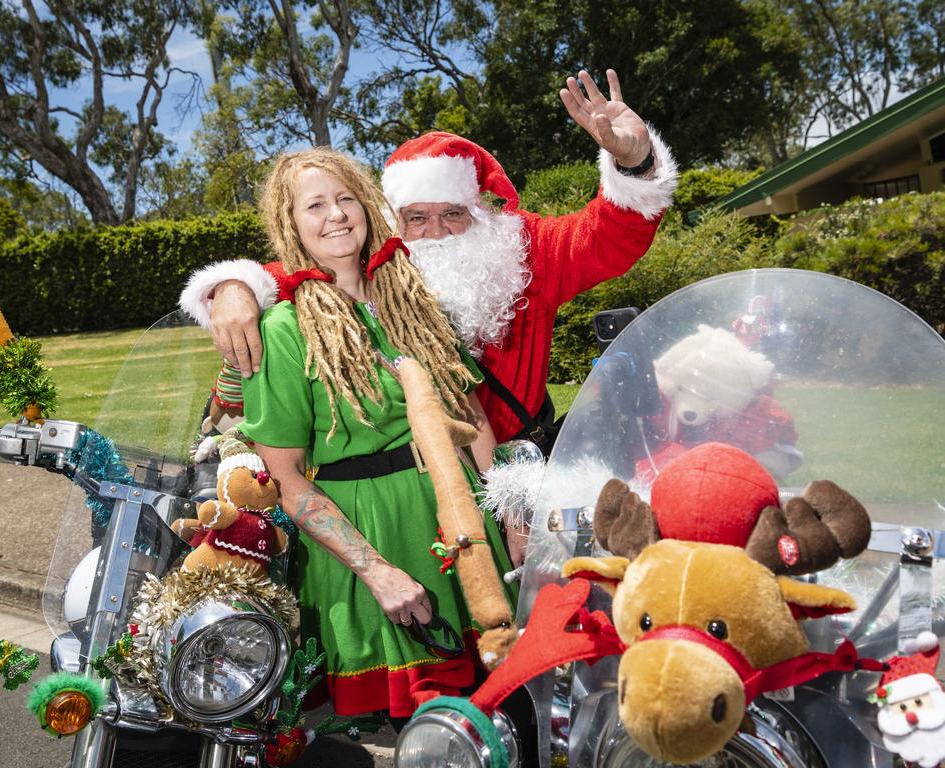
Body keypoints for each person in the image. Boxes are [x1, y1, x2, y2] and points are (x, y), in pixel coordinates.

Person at [181, 69, 679, 451]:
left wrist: (634, 161)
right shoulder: (376, 262)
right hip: (418, 475)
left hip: (521, 461)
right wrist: (233, 287)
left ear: (479, 209)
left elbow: (609, 236)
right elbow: (295, 274)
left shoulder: (522, 249)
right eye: (417, 218)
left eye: (452, 214)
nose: (435, 232)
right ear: (395, 221)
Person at [237, 147, 516, 718]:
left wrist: (511, 514)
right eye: (315, 205)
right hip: (375, 538)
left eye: (345, 199)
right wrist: (379, 573)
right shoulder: (282, 328)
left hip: (463, 521)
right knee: (428, 728)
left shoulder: (411, 296)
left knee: (506, 707)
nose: (336, 215)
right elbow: (290, 483)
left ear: (366, 207)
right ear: (291, 225)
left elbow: (473, 417)